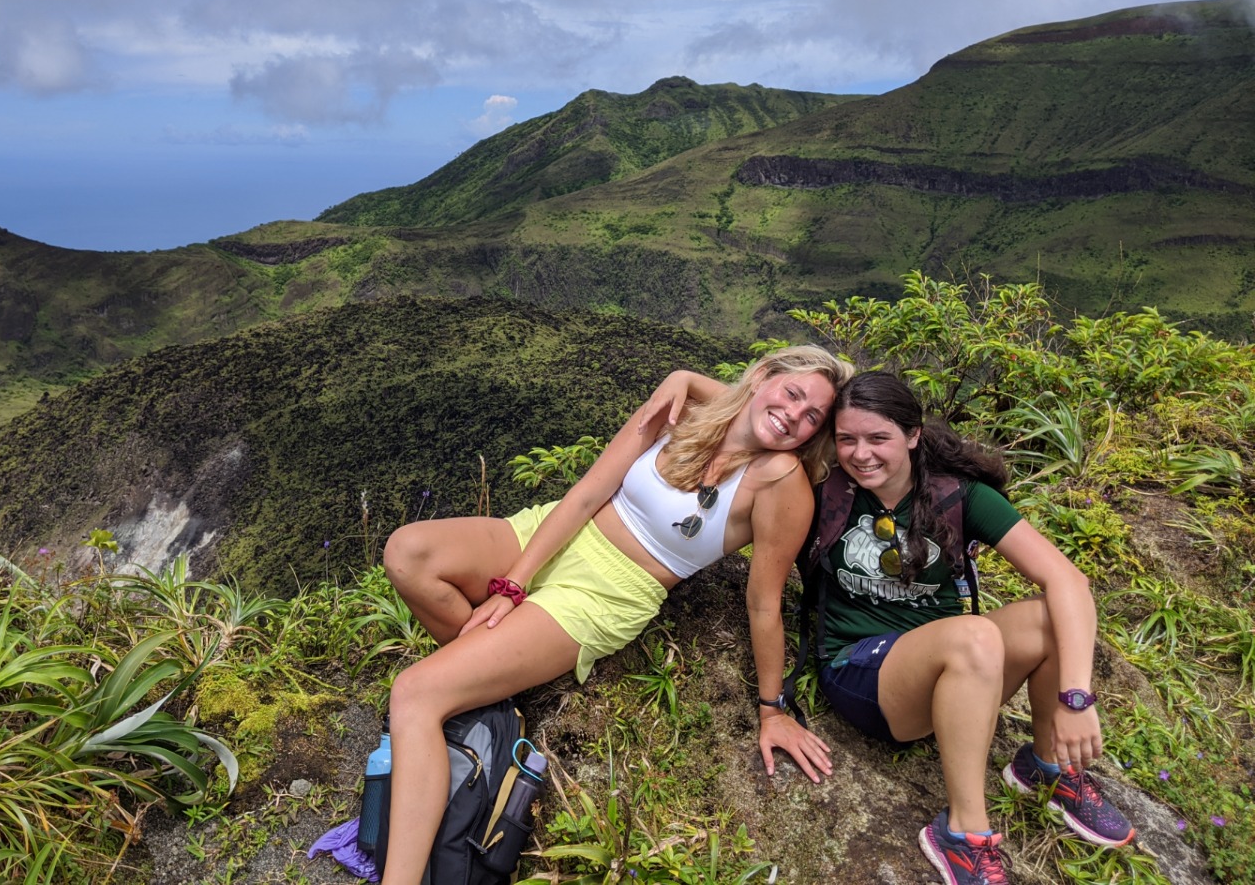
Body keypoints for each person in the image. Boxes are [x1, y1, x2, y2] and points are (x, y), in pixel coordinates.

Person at [378, 346, 855, 885]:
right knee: (407, 553)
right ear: (764, 376)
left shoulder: (779, 481)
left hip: (607, 593)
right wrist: (514, 585)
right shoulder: (689, 412)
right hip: (560, 532)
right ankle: (485, 684)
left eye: (812, 416)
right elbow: (587, 494)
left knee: (415, 694)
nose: (793, 415)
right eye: (792, 394)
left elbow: (764, 602)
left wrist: (773, 710)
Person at [673, 368, 1135, 884]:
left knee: (1051, 617)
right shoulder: (825, 486)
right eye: (846, 439)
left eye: (879, 438)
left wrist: (1076, 698)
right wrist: (683, 382)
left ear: (913, 435)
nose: (861, 454)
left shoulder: (958, 496)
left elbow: (1068, 581)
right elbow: (766, 417)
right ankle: (963, 835)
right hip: (860, 669)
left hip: (955, 666)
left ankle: (1046, 766)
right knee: (975, 635)